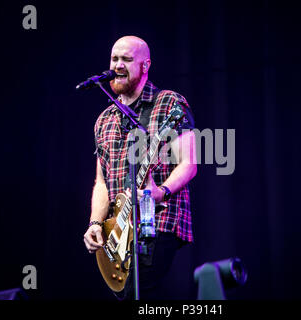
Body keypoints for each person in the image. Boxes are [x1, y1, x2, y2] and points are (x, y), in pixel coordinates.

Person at [83, 35, 197, 300]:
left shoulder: (169, 103)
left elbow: (189, 164)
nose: (118, 65)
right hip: (118, 233)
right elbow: (101, 182)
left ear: (145, 65)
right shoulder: (105, 120)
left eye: (126, 59)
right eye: (114, 58)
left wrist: (162, 191)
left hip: (157, 220)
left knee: (141, 288)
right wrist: (96, 222)